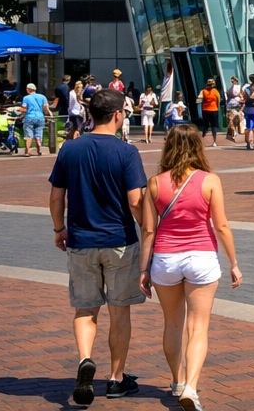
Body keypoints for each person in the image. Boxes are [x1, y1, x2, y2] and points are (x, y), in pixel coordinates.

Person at [48, 88, 148, 405]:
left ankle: (84, 359)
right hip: (119, 241)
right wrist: (148, 228)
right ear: (118, 114)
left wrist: (59, 229)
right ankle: (117, 378)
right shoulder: (126, 152)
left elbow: (55, 197)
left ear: (91, 114)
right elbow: (135, 201)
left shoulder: (70, 149)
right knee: (120, 312)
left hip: (81, 239)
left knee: (85, 307)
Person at [138, 124, 241, 410]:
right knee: (198, 327)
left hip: (166, 258)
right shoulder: (209, 181)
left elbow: (148, 230)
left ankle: (177, 381)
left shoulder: (155, 183)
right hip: (201, 257)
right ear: (199, 146)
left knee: (172, 323)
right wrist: (234, 263)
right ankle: (192, 388)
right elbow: (220, 225)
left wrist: (143, 269)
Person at [18, 81, 49, 156]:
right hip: (40, 117)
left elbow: (24, 108)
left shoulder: (26, 98)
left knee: (28, 134)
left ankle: (27, 151)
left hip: (30, 117)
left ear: (28, 89)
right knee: (38, 133)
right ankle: (39, 149)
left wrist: (18, 109)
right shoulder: (42, 97)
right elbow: (45, 107)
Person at [198, 80, 222, 148]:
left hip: (206, 110)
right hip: (213, 110)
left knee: (206, 126)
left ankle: (203, 140)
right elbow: (218, 100)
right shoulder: (215, 91)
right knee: (213, 126)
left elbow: (199, 100)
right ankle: (214, 141)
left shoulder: (203, 91)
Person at [224, 76, 243, 143]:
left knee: (233, 121)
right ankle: (233, 134)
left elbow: (239, 95)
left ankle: (233, 134)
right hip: (233, 105)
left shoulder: (235, 87)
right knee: (232, 121)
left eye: (233, 80)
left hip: (234, 105)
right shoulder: (235, 87)